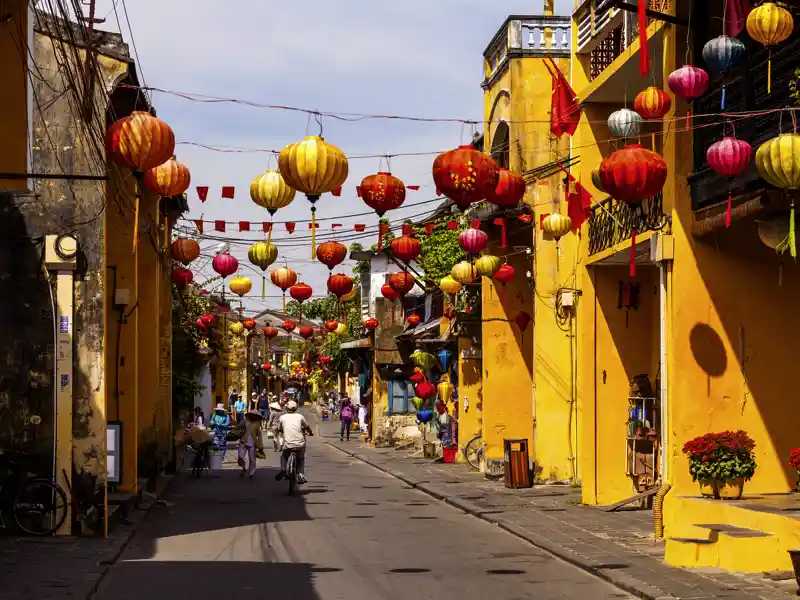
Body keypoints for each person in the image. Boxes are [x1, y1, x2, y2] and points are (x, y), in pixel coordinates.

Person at [275, 400, 313, 484]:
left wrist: (281, 431)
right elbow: (307, 427)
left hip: (288, 444)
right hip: (300, 443)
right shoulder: (300, 417)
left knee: (284, 456)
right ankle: (300, 475)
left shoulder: (283, 417)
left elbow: (279, 428)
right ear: (296, 408)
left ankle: (283, 469)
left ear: (286, 408)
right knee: (301, 458)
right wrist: (310, 433)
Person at [230, 409, 264, 479]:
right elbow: (237, 427)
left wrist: (260, 445)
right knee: (240, 457)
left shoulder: (257, 423)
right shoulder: (245, 421)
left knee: (252, 459)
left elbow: (259, 435)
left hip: (253, 443)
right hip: (243, 441)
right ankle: (243, 468)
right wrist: (232, 433)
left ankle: (251, 472)